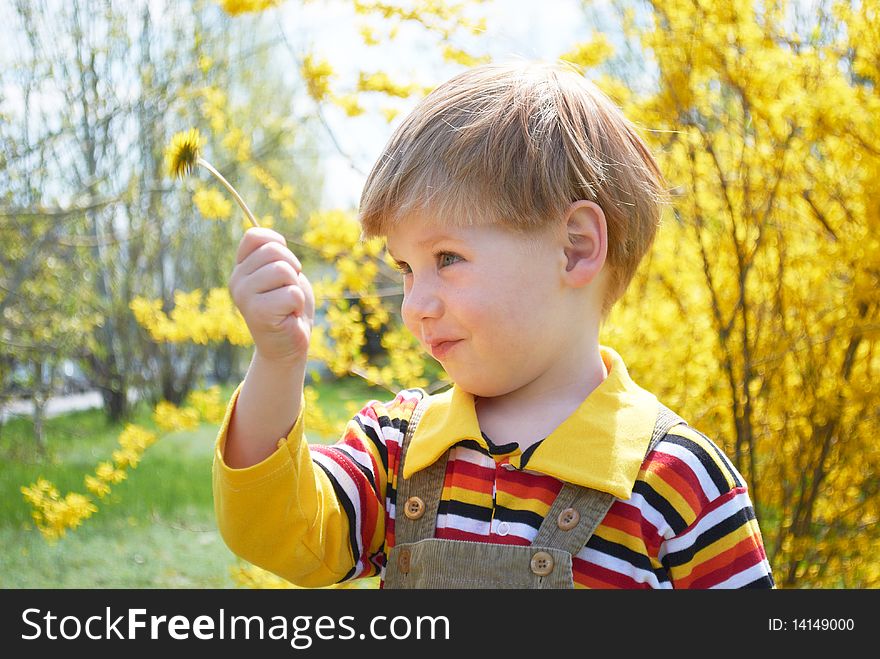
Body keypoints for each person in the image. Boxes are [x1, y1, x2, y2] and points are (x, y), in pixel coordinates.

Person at [212, 60, 775, 589]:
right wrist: (280, 362)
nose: (414, 305)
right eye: (406, 269)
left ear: (575, 248)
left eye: (447, 259)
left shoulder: (678, 484)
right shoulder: (401, 453)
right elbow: (279, 531)